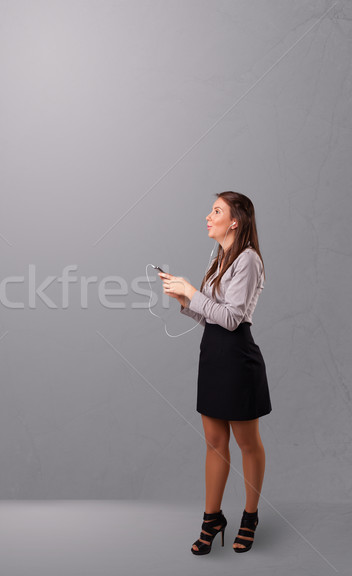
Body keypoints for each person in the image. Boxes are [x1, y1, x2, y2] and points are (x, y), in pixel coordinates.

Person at [158, 191, 272, 555]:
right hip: (213, 356)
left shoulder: (248, 260)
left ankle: (250, 517)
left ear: (235, 220)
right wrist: (184, 301)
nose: (208, 216)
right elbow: (211, 316)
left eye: (217, 210)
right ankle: (212, 519)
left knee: (247, 443)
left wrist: (193, 291)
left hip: (238, 357)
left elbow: (233, 317)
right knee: (214, 443)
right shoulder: (220, 259)